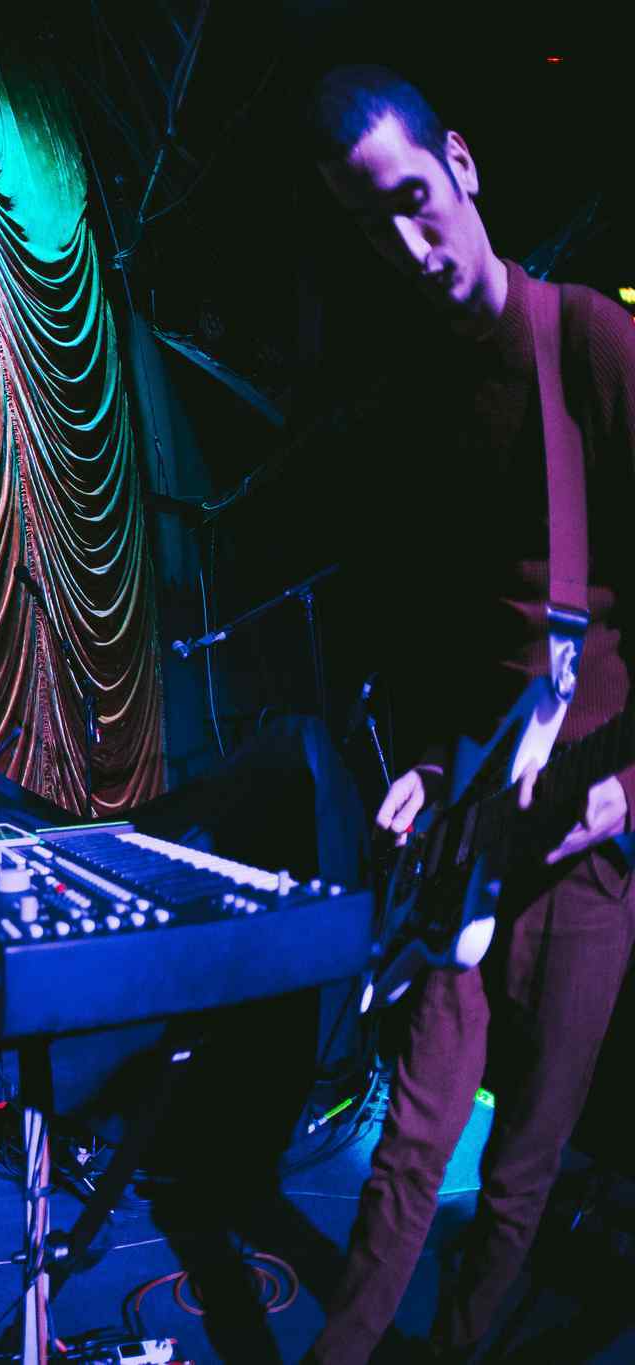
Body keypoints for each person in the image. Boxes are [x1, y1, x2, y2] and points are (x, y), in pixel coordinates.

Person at [300, 66, 634, 1364]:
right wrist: (435, 768)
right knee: (411, 1142)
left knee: (519, 1175)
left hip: (587, 845)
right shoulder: (431, 392)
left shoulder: (590, 344)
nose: (406, 247)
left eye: (413, 202)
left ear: (462, 165)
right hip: (480, 830)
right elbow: (462, 645)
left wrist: (627, 791)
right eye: (366, 225)